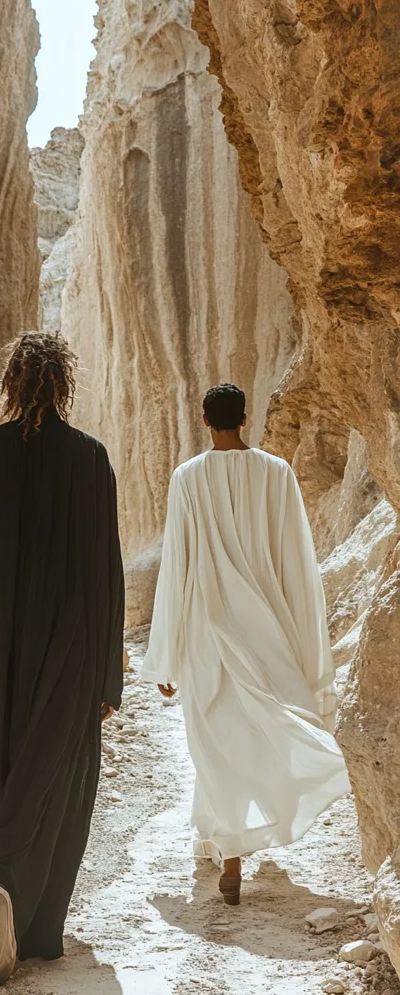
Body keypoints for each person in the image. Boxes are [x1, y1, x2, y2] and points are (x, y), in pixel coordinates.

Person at [0, 332, 125, 986]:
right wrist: (107, 676)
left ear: (12, 384)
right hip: (70, 652)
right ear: (64, 385)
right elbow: (105, 575)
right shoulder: (91, 458)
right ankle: (33, 921)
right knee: (56, 781)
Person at [141, 383, 350, 905]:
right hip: (268, 628)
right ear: (244, 416)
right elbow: (295, 561)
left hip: (209, 631)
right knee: (263, 731)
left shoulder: (188, 477)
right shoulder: (276, 473)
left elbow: (178, 566)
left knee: (216, 745)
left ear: (205, 419)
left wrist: (166, 651)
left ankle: (231, 859)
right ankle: (236, 841)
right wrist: (303, 638)